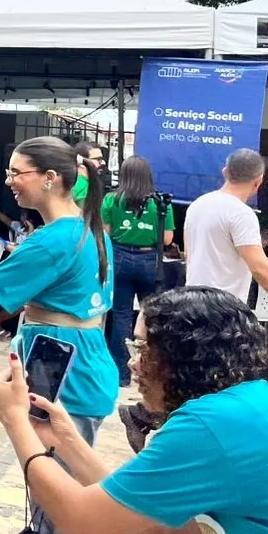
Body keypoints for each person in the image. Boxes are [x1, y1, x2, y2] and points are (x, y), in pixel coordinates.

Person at [0, 286, 268, 534]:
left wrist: (15, 420)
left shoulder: (210, 425)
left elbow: (78, 521)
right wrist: (65, 441)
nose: (133, 363)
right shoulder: (249, 406)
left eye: (142, 348)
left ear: (186, 354)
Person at [0, 136, 115, 534]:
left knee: (68, 514)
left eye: (17, 172)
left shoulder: (54, 237)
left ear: (50, 177)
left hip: (62, 373)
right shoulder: (87, 228)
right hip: (79, 365)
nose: (9, 181)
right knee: (58, 507)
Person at [102, 156, 175, 386]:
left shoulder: (111, 200)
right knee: (151, 317)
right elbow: (167, 238)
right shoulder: (160, 203)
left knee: (121, 315)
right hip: (149, 259)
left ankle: (121, 375)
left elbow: (105, 233)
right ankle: (150, 372)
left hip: (120, 257)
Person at [184, 148, 268, 304]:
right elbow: (259, 268)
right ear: (258, 182)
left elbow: (188, 254)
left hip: (191, 303)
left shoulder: (197, 205)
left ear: (225, 172)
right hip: (223, 309)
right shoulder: (242, 214)